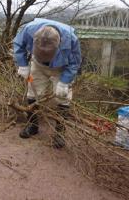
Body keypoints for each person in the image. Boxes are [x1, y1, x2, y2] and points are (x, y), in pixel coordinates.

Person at [13, 18, 82, 148]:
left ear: (59, 43)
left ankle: (59, 133)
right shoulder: (29, 30)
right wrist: (22, 65)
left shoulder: (71, 39)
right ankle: (33, 126)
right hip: (37, 65)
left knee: (63, 97)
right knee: (32, 93)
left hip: (61, 68)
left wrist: (64, 82)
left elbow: (75, 63)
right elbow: (18, 45)